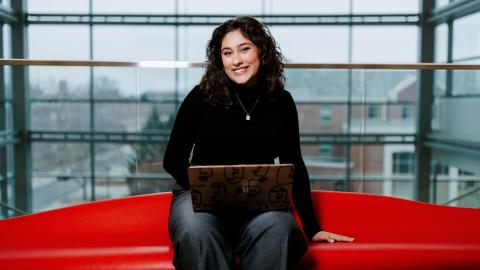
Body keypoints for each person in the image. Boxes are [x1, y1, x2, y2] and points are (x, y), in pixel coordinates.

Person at [163, 16, 354, 270]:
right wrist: (208, 188)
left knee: (280, 227)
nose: (236, 60)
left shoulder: (281, 102)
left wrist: (312, 227)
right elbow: (172, 159)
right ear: (220, 60)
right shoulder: (200, 97)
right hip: (198, 197)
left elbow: (293, 163)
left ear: (261, 51)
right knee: (197, 231)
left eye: (244, 49)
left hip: (258, 198)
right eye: (227, 53)